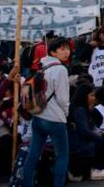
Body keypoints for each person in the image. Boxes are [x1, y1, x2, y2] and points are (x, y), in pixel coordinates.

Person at [22, 36, 73, 187]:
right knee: (62, 156)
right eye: (62, 49)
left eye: (68, 48)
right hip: (55, 118)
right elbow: (63, 98)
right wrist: (65, 113)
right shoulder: (60, 69)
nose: (67, 52)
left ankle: (27, 184)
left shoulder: (41, 67)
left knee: (33, 155)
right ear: (53, 52)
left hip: (38, 116)